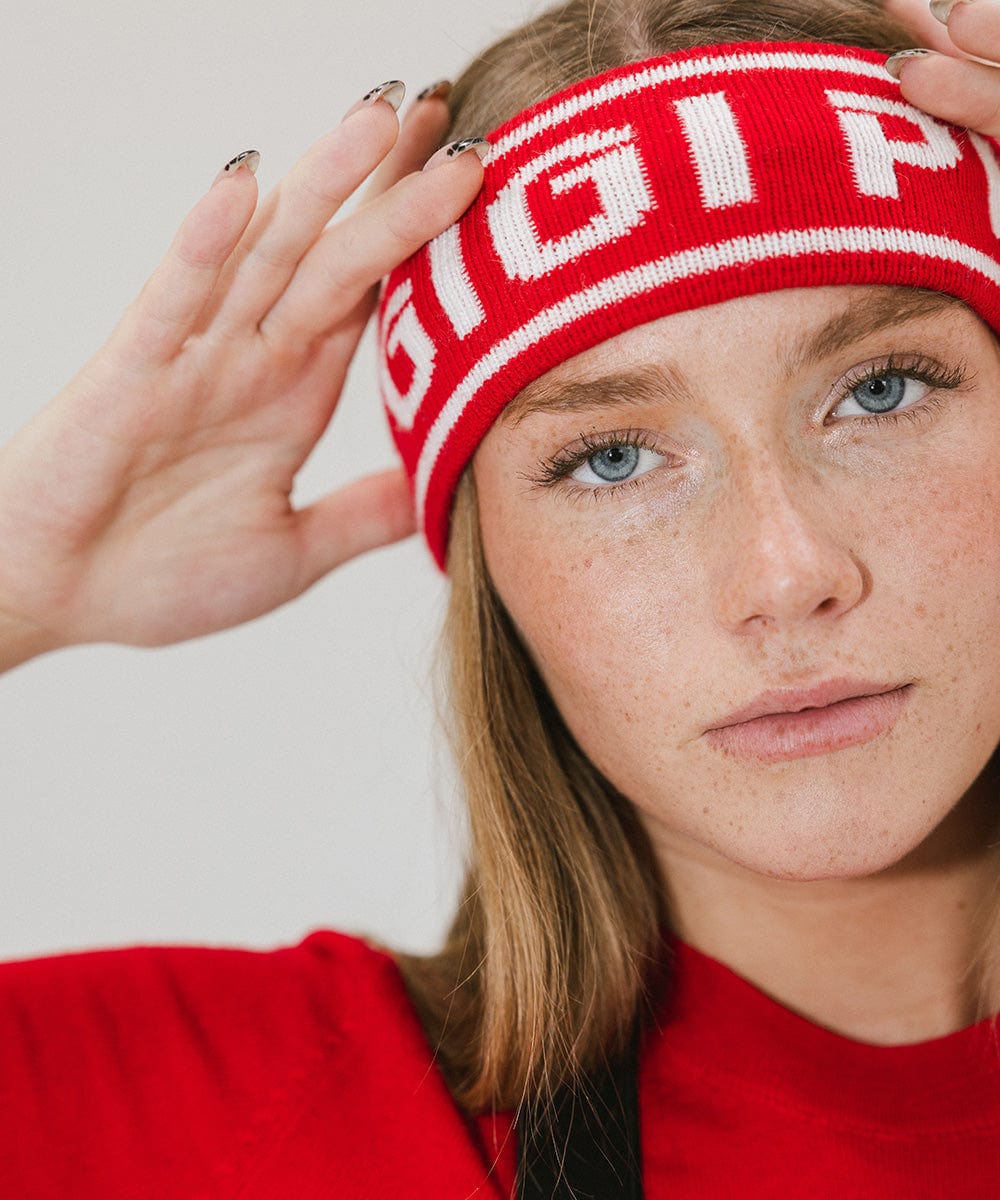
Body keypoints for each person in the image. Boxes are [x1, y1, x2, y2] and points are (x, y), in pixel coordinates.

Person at [1, 0, 999, 1195]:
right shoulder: (211, 1121)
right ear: (491, 566)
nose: (786, 573)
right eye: (612, 459)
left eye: (882, 391)